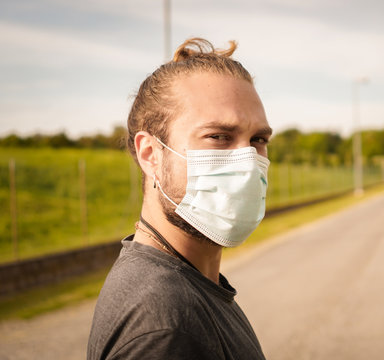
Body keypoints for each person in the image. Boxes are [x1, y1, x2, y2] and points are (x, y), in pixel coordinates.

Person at [87, 38, 272, 360]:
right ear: (150, 154)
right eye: (218, 137)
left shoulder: (191, 285)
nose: (246, 160)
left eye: (258, 139)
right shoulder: (165, 324)